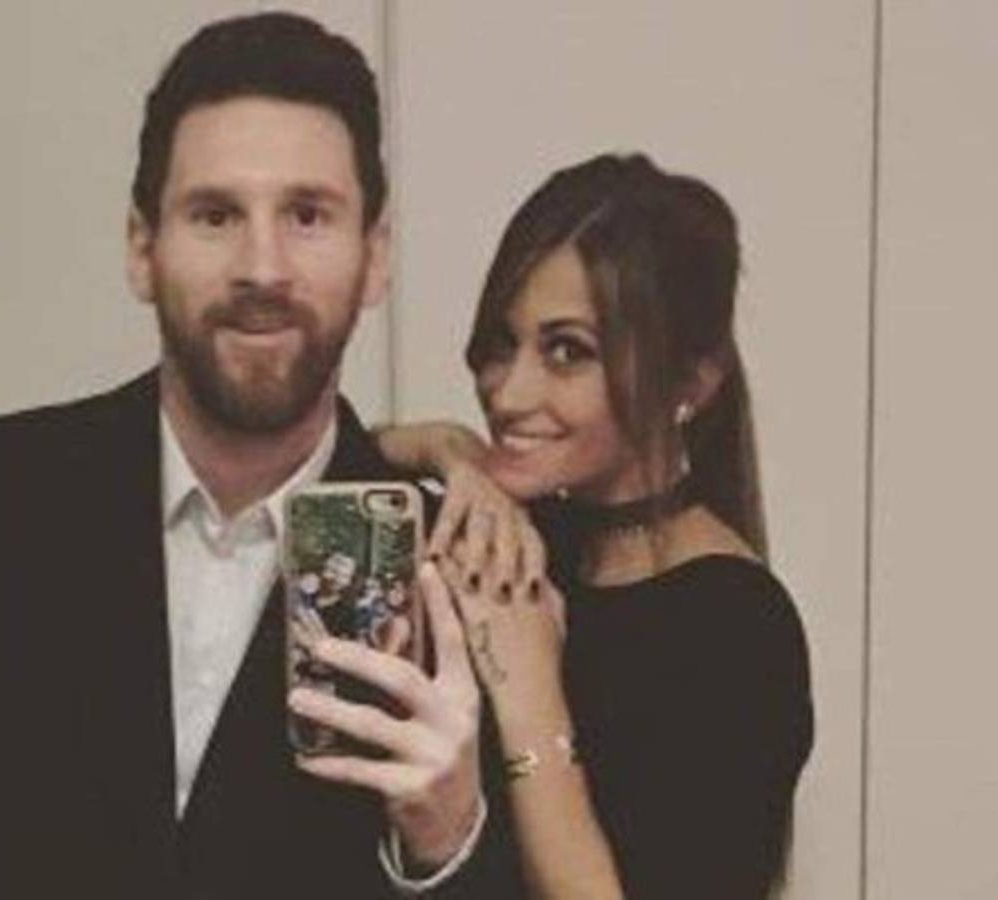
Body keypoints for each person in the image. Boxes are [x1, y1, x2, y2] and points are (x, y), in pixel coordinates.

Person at [0, 13, 509, 899]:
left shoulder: (464, 573)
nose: (262, 268)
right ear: (142, 248)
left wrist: (444, 843)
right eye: (215, 215)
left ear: (375, 255)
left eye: (307, 215)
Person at [339, 153, 815, 898]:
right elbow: (324, 467)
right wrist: (445, 449)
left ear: (690, 383)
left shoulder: (735, 630)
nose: (508, 393)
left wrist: (531, 697)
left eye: (567, 352)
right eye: (503, 343)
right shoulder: (528, 537)